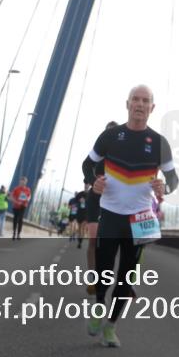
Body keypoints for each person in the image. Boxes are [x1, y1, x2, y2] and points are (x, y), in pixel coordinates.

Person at [83, 85, 178, 347]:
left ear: (152, 107)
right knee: (104, 271)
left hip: (142, 218)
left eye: (145, 100)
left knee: (127, 277)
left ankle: (111, 327)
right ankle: (99, 308)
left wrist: (165, 187)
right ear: (127, 104)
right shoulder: (110, 136)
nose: (140, 104)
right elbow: (88, 164)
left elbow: (173, 179)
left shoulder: (160, 143)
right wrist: (95, 182)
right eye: (135, 99)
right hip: (111, 214)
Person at [83, 120, 119, 294]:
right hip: (95, 200)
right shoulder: (96, 154)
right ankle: (92, 279)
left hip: (114, 203)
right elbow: (86, 169)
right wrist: (93, 182)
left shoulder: (122, 157)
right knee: (93, 240)